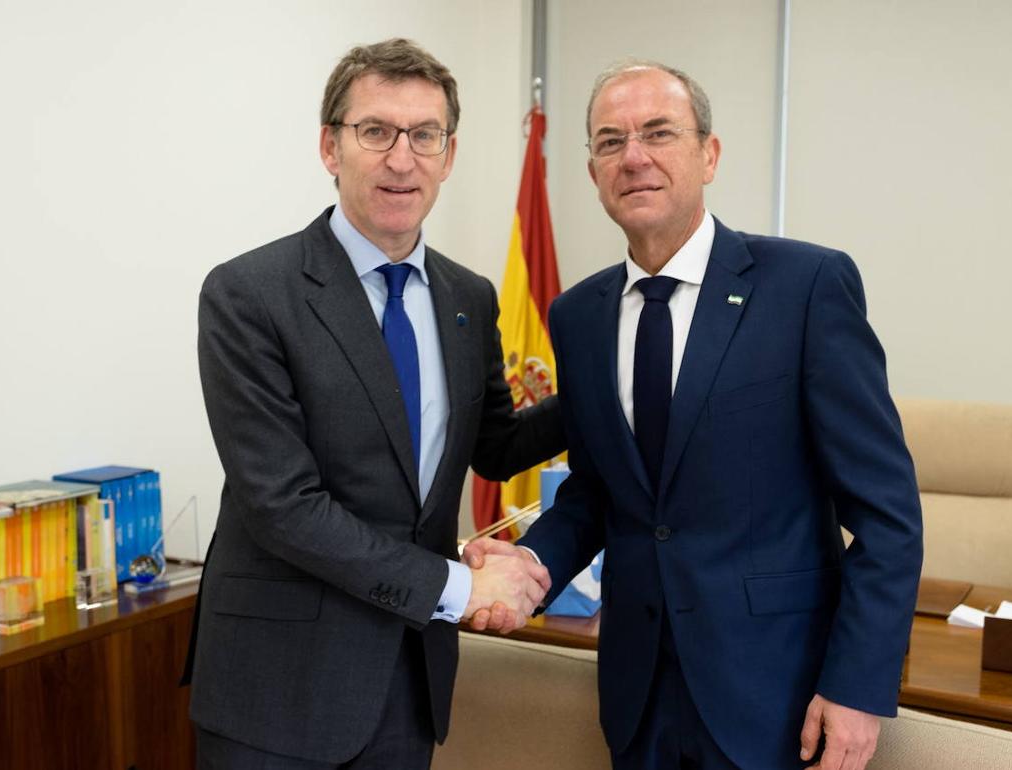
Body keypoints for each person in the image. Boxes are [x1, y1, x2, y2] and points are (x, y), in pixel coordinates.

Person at [465, 59, 924, 770]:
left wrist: (857, 687)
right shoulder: (579, 315)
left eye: (658, 132)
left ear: (708, 155)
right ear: (593, 172)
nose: (634, 157)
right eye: (611, 141)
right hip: (638, 695)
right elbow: (598, 492)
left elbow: (888, 515)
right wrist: (532, 562)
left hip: (777, 695)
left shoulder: (805, 287)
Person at [186, 38, 564, 770]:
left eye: (425, 135)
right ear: (330, 146)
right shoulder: (248, 294)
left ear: (448, 156)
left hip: (406, 677)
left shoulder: (467, 297)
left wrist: (608, 385)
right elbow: (283, 506)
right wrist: (460, 584)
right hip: (276, 690)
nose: (402, 158)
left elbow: (495, 446)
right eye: (376, 131)